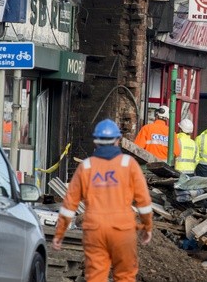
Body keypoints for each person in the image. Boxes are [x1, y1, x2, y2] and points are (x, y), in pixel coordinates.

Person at [52, 118, 153, 281]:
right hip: (123, 229)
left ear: (96, 142)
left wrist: (59, 233)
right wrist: (147, 227)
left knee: (96, 276)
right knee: (125, 275)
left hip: (95, 229)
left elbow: (69, 205)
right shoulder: (129, 164)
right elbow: (144, 203)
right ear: (117, 140)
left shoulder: (86, 166)